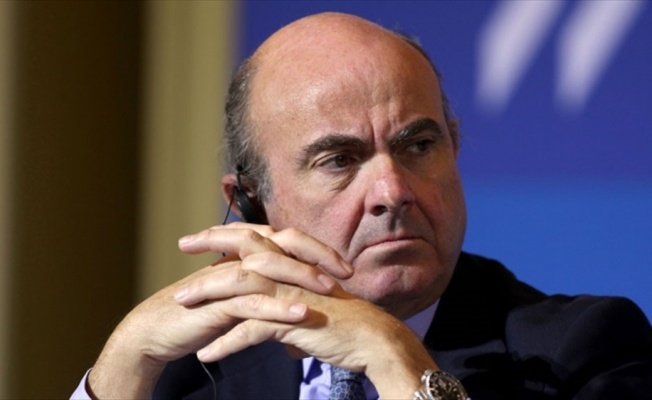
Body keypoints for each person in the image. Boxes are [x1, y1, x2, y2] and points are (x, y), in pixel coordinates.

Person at [72, 12, 652, 400]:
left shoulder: (588, 353)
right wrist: (118, 371)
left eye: (418, 146)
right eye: (338, 161)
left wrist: (403, 366)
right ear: (250, 202)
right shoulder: (190, 369)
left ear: (454, 147)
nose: (392, 192)